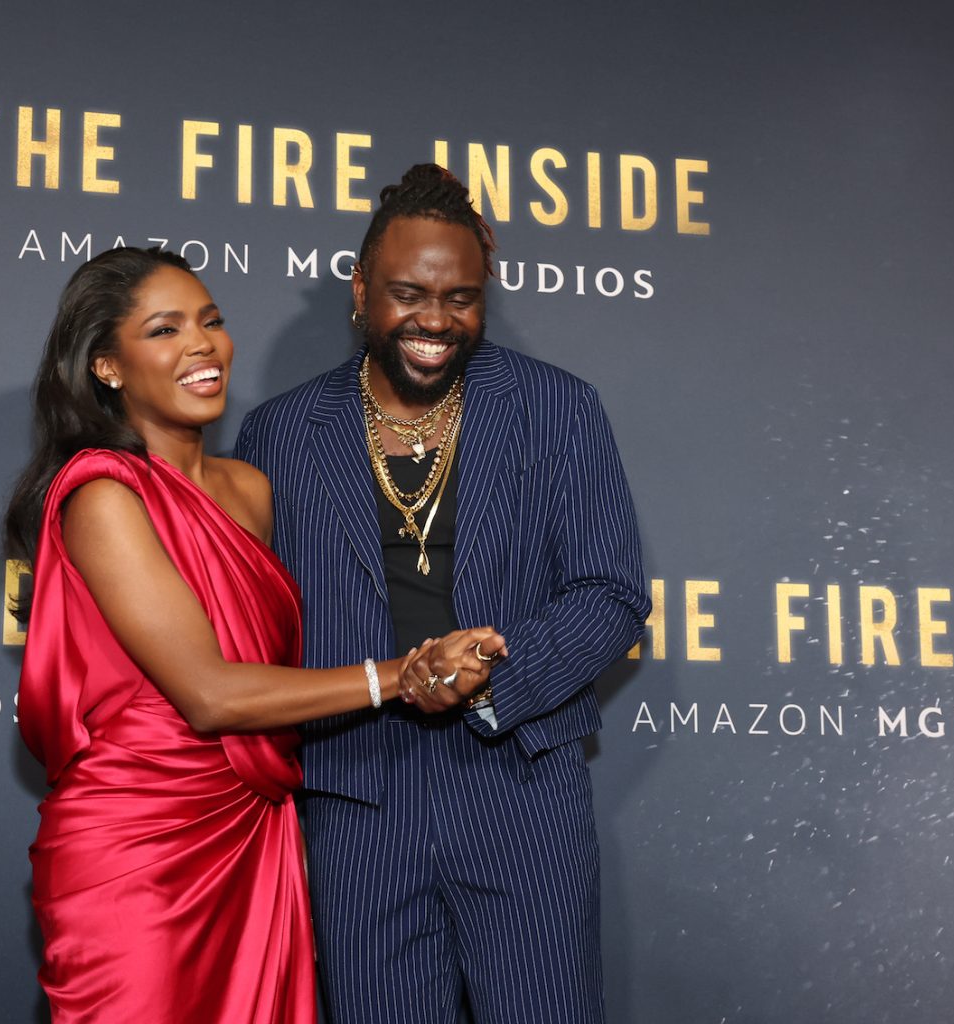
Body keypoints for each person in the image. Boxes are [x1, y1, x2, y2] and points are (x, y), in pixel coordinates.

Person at [3, 246, 503, 1024]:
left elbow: (279, 669)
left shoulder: (254, 489)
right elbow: (207, 694)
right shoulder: (103, 494)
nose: (203, 345)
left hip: (253, 829)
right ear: (106, 365)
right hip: (138, 852)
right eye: (165, 330)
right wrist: (400, 677)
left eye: (211, 321)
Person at [236, 165, 650, 1023]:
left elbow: (612, 590)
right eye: (408, 293)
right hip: (355, 793)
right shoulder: (278, 432)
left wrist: (493, 678)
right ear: (359, 291)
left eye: (460, 297)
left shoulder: (557, 410)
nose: (435, 319)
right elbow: (248, 614)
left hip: (522, 788)